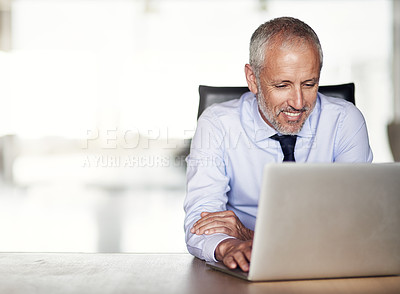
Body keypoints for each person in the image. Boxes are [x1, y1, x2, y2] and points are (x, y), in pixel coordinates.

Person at [184, 17, 373, 273]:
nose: (298, 102)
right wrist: (229, 246)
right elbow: (202, 220)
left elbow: (356, 227)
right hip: (244, 269)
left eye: (309, 84)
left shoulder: (345, 121)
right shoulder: (217, 124)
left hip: (324, 269)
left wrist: (249, 235)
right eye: (282, 85)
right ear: (252, 79)